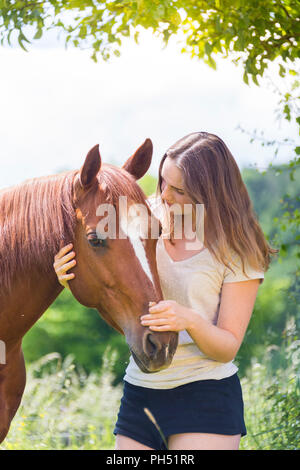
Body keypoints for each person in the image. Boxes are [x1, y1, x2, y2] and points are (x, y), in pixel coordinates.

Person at [53, 132, 277, 450]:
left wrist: (189, 320)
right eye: (163, 183)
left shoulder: (239, 248)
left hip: (206, 396)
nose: (165, 196)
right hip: (142, 390)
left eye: (179, 190)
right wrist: (69, 275)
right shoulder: (143, 216)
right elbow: (104, 270)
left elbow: (228, 346)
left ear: (208, 193)